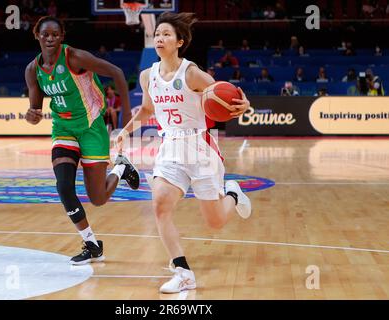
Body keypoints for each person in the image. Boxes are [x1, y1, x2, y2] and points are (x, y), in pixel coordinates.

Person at [116, 12, 252, 294]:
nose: (160, 39)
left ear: (180, 42)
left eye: (166, 34)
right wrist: (125, 131)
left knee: (215, 222)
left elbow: (224, 95)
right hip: (169, 147)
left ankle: (233, 193)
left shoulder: (191, 73)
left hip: (200, 147)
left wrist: (243, 103)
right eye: (157, 35)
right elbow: (148, 110)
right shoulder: (147, 76)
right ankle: (182, 271)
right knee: (160, 205)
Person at [24, 16, 140, 265]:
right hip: (63, 128)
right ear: (38, 36)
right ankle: (92, 243)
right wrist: (30, 115)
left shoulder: (75, 57)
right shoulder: (33, 70)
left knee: (98, 198)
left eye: (55, 34)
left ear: (62, 36)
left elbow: (117, 73)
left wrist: (127, 117)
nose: (50, 38)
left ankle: (121, 168)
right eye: (46, 34)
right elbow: (35, 112)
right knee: (64, 186)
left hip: (91, 127)